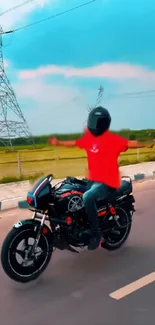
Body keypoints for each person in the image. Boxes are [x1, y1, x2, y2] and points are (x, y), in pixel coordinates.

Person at [49, 106, 154, 250]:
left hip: (106, 182)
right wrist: (58, 142)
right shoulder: (89, 140)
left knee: (87, 197)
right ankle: (73, 228)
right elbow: (74, 142)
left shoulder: (113, 140)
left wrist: (149, 143)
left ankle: (96, 234)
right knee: (67, 189)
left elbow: (132, 144)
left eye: (95, 121)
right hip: (92, 180)